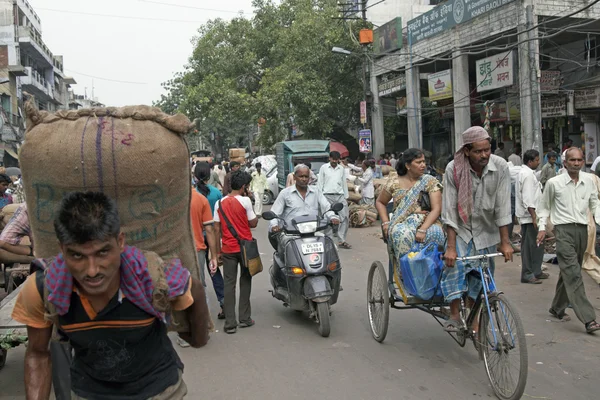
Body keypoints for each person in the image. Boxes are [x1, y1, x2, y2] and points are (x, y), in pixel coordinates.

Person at [11, 191, 210, 399]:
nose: (92, 270)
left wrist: (197, 337)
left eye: (102, 252)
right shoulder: (44, 288)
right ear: (62, 249)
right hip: (90, 392)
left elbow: (194, 288)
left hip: (159, 390)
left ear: (121, 242)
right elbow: (38, 354)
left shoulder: (152, 276)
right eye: (77, 255)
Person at [441, 126, 514, 333]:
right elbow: (449, 210)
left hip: (486, 229)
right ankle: (455, 314)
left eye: (487, 150)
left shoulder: (500, 166)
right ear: (466, 151)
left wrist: (505, 242)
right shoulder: (453, 169)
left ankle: (473, 314)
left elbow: (502, 206)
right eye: (478, 151)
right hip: (462, 229)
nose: (484, 155)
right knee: (454, 266)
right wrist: (451, 247)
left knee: (483, 274)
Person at [536, 147, 600, 334]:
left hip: (582, 231)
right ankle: (589, 319)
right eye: (572, 160)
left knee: (569, 271)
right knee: (573, 273)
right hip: (563, 231)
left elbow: (595, 204)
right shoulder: (554, 183)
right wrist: (541, 228)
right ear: (565, 163)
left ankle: (557, 307)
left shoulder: (589, 181)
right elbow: (544, 207)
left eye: (580, 160)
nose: (577, 163)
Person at [375, 148, 445, 261]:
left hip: (427, 221)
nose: (423, 165)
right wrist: (385, 223)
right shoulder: (394, 181)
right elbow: (380, 202)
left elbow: (436, 209)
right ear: (408, 165)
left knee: (436, 234)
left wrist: (423, 229)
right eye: (418, 162)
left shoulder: (429, 181)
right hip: (402, 222)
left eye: (424, 162)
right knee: (401, 235)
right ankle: (405, 272)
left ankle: (432, 271)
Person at [213, 171, 258, 334]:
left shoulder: (219, 203)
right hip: (245, 248)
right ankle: (245, 318)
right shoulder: (245, 201)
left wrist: (217, 252)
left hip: (227, 249)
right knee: (245, 281)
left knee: (228, 285)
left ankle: (230, 323)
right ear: (244, 187)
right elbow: (253, 223)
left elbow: (216, 229)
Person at [269, 165, 340, 257]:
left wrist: (333, 217)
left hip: (313, 233)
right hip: (291, 235)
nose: (304, 179)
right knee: (288, 252)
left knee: (332, 248)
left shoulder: (316, 191)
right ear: (294, 177)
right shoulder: (285, 193)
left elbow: (327, 207)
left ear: (309, 178)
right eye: (301, 176)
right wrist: (274, 225)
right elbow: (274, 213)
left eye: (306, 176)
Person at [194, 162, 225, 319]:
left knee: (198, 276)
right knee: (215, 270)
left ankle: (199, 313)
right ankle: (223, 301)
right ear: (209, 175)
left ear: (194, 176)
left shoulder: (192, 195)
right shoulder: (216, 194)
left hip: (196, 240)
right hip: (213, 237)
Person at [516, 149, 548, 284]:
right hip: (530, 216)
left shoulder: (527, 173)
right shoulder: (527, 175)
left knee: (537, 244)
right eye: (536, 160)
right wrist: (534, 217)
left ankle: (536, 270)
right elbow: (528, 198)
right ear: (530, 161)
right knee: (530, 246)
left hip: (532, 215)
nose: (539, 162)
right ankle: (528, 273)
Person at [318, 151, 351, 249]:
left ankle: (342, 240)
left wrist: (346, 196)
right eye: (333, 159)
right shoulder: (324, 168)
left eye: (336, 160)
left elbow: (343, 182)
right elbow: (320, 183)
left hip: (340, 196)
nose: (334, 161)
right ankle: (329, 241)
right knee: (327, 218)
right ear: (330, 158)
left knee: (344, 217)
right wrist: (320, 197)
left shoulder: (341, 169)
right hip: (327, 196)